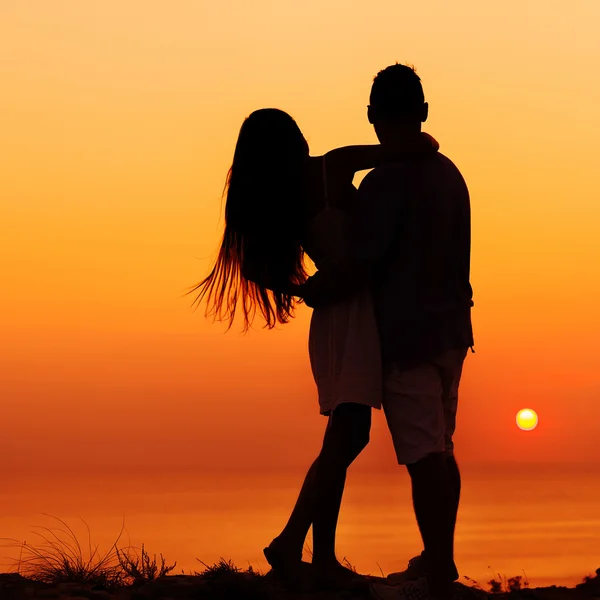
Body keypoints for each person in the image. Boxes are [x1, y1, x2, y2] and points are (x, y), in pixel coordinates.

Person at [189, 108, 439, 587]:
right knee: (348, 437)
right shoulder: (334, 165)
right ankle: (291, 542)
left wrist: (306, 291)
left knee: (344, 438)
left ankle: (318, 554)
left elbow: (255, 271)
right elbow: (418, 147)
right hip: (356, 314)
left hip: (331, 317)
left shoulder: (274, 199)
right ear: (295, 139)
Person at [294, 64, 475, 600]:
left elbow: (360, 264)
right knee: (440, 447)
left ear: (372, 114)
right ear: (422, 111)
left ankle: (437, 576)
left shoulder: (386, 182)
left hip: (408, 337)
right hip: (452, 330)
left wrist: (312, 291)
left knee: (424, 458)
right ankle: (438, 559)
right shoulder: (449, 173)